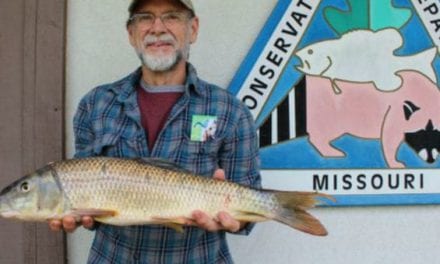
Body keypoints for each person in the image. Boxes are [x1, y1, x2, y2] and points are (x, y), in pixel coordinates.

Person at [49, 0, 261, 263]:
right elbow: (89, 206)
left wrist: (233, 219)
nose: (157, 28)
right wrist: (79, 215)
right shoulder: (96, 104)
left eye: (171, 17)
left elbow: (248, 205)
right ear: (131, 33)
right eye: (145, 17)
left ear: (193, 29)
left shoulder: (230, 110)